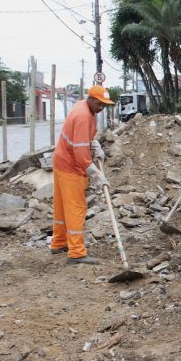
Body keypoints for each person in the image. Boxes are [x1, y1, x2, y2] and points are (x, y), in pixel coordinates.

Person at [50, 85, 114, 264]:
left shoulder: (82, 107)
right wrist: (97, 174)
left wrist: (94, 144)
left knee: (61, 206)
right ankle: (77, 252)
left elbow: (82, 137)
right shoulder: (83, 116)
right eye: (100, 104)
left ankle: (59, 242)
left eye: (104, 105)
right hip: (71, 166)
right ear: (92, 99)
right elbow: (80, 154)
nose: (102, 108)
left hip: (60, 161)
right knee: (76, 208)